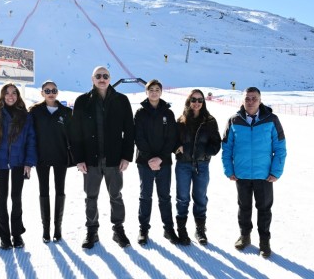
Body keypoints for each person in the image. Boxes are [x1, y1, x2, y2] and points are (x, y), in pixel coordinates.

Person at [70, 66, 135, 249]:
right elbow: (75, 132)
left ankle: (118, 229)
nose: (102, 79)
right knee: (91, 196)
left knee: (116, 195)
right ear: (92, 79)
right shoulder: (82, 101)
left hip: (114, 159)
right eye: (98, 76)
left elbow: (129, 131)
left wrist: (126, 156)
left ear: (110, 78)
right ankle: (92, 231)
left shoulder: (121, 100)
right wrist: (79, 159)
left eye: (105, 76)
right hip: (90, 160)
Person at [221, 86, 287, 258]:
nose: (250, 102)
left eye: (254, 98)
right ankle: (245, 236)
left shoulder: (272, 120)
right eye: (247, 98)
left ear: (260, 100)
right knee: (244, 208)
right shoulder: (234, 121)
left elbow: (280, 148)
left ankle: (264, 242)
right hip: (241, 174)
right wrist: (229, 170)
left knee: (264, 209)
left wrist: (276, 171)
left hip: (264, 175)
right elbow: (226, 148)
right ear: (242, 101)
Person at [0, 83, 37, 250]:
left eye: (14, 93)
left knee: (16, 198)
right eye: (7, 93)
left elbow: (31, 141)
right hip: (0, 163)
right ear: (2, 96)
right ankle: (4, 236)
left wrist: (28, 163)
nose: (10, 96)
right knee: (2, 198)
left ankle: (17, 233)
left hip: (19, 163)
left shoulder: (26, 117)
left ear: (18, 96)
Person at [134, 79, 179, 245]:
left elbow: (171, 138)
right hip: (144, 162)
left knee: (164, 197)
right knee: (145, 196)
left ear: (161, 92)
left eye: (157, 89)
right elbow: (138, 137)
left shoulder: (168, 113)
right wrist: (149, 158)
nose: (154, 92)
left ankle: (169, 229)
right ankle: (143, 229)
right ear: (146, 92)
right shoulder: (140, 112)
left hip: (164, 162)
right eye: (151, 89)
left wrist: (160, 158)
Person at [174, 89, 221, 246]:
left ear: (204, 102)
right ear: (189, 101)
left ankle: (200, 230)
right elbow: (172, 140)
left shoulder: (209, 121)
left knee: (200, 198)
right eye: (194, 100)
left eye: (200, 100)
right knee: (183, 198)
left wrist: (205, 152)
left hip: (202, 165)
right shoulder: (180, 121)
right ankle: (181, 229)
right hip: (183, 165)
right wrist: (176, 148)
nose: (197, 103)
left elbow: (216, 143)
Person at [29, 80, 73, 243]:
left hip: (60, 157)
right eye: (47, 90)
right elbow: (30, 135)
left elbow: (73, 136)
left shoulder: (66, 112)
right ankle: (46, 229)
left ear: (57, 92)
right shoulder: (35, 111)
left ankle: (58, 228)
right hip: (42, 158)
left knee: (60, 192)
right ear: (42, 93)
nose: (50, 93)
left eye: (53, 90)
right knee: (44, 192)